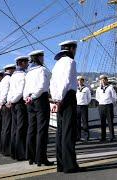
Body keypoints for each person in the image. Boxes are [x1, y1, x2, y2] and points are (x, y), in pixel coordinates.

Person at [50, 40, 84, 173]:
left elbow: (53, 83)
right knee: (68, 132)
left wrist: (56, 99)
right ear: (71, 49)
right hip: (68, 98)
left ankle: (60, 164)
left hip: (59, 98)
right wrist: (61, 99)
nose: (75, 52)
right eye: (75, 49)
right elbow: (65, 82)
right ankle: (70, 165)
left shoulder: (57, 64)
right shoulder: (70, 62)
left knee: (60, 132)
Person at [23, 50, 53, 166]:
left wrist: (28, 97)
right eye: (42, 57)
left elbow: (25, 89)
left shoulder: (28, 72)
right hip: (40, 100)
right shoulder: (42, 70)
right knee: (42, 130)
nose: (43, 59)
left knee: (31, 129)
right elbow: (42, 86)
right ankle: (41, 158)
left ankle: (31, 157)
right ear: (39, 58)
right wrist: (34, 96)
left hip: (29, 101)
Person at [6, 56, 29, 160]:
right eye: (26, 62)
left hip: (13, 103)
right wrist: (14, 100)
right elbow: (20, 91)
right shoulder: (23, 75)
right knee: (21, 128)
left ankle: (13, 152)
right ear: (22, 63)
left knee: (14, 128)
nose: (28, 64)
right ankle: (21, 153)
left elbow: (10, 91)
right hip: (19, 103)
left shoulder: (13, 76)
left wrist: (10, 101)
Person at [0, 64, 16, 156]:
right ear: (11, 70)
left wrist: (0, 103)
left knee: (4, 128)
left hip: (2, 104)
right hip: (6, 105)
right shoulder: (9, 79)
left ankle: (3, 148)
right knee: (7, 128)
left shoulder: (3, 79)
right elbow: (5, 93)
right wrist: (3, 102)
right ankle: (6, 149)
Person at [95, 75, 117, 142]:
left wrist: (109, 102)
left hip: (108, 106)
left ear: (107, 80)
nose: (103, 81)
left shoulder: (110, 87)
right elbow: (97, 97)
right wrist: (102, 102)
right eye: (101, 80)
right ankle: (103, 137)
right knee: (102, 122)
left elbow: (114, 97)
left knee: (110, 122)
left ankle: (112, 137)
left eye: (104, 79)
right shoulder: (98, 89)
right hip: (101, 106)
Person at [76, 75, 92, 142]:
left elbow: (89, 98)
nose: (80, 81)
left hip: (84, 107)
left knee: (85, 122)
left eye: (81, 80)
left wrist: (85, 103)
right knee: (77, 123)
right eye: (78, 80)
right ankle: (78, 136)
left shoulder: (86, 89)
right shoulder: (75, 89)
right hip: (77, 106)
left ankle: (86, 136)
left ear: (83, 81)